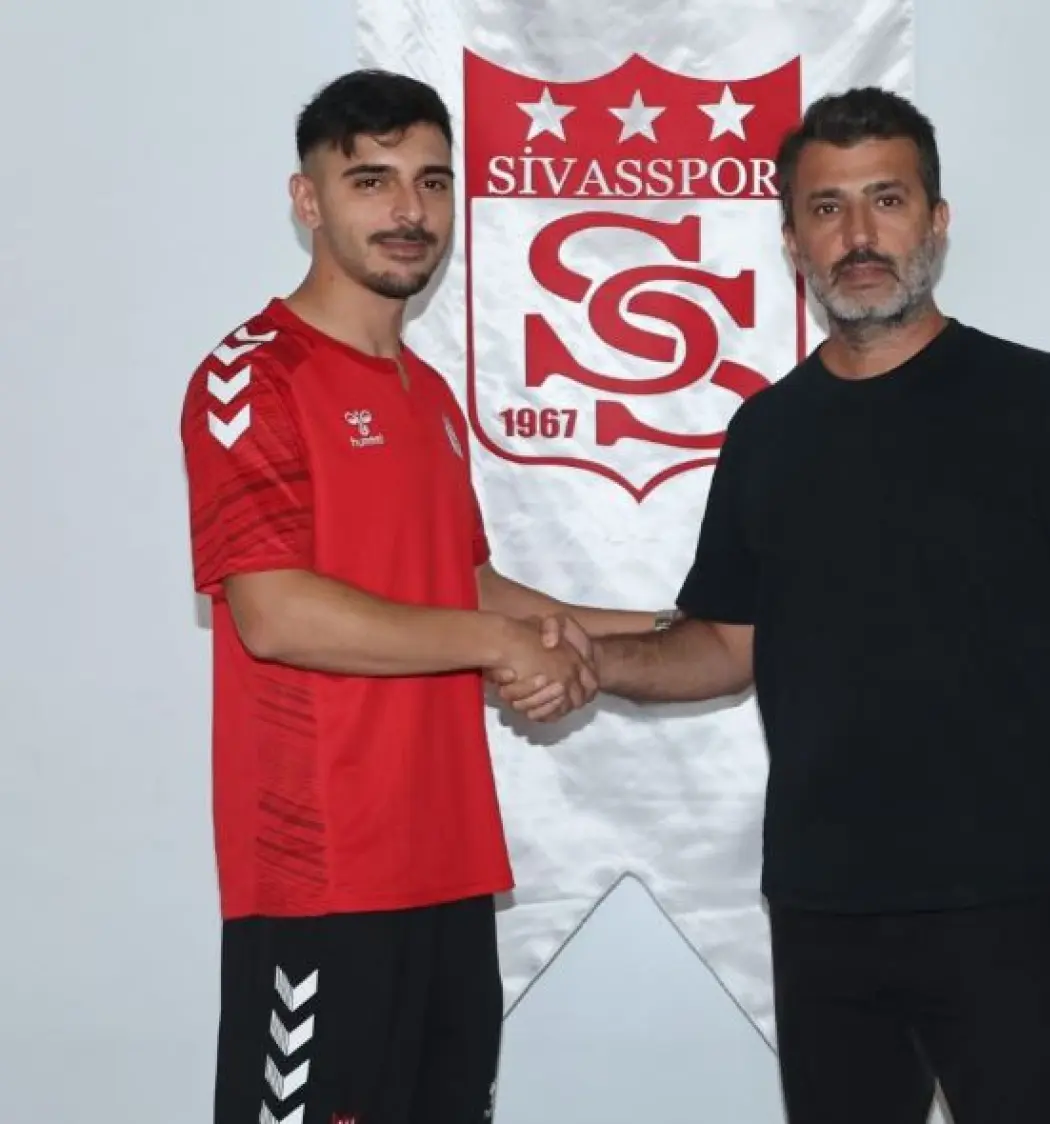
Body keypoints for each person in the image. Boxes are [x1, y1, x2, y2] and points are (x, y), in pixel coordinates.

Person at [505, 87, 1050, 1123]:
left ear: (936, 221)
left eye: (886, 200)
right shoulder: (766, 431)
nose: (858, 235)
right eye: (827, 208)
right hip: (823, 909)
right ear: (792, 241)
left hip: (1013, 904)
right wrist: (585, 659)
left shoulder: (1038, 402)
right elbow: (722, 645)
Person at [179, 69, 655, 1124]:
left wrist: (672, 627)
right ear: (307, 200)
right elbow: (274, 611)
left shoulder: (427, 392)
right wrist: (498, 642)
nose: (409, 210)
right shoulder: (250, 377)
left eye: (432, 182)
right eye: (372, 180)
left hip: (449, 867)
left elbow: (466, 584)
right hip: (322, 877)